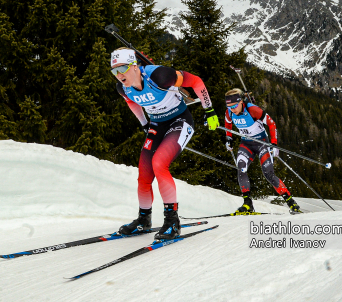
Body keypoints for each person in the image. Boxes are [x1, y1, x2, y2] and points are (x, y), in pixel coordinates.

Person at [111, 47, 219, 240]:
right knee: (144, 172)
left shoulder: (160, 76)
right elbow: (131, 101)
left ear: (135, 66)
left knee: (159, 163)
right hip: (157, 124)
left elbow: (196, 81)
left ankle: (172, 221)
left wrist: (209, 110)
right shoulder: (123, 88)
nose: (119, 75)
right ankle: (144, 220)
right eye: (114, 71)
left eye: (123, 68)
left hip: (180, 120)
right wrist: (145, 124)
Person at [224, 88, 301, 213]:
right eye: (229, 106)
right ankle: (247, 204)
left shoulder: (253, 110)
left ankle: (291, 203)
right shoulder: (229, 112)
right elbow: (228, 124)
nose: (232, 109)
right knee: (241, 168)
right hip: (246, 144)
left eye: (234, 106)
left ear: (241, 102)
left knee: (268, 174)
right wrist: (229, 138)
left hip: (262, 144)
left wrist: (274, 144)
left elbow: (272, 124)